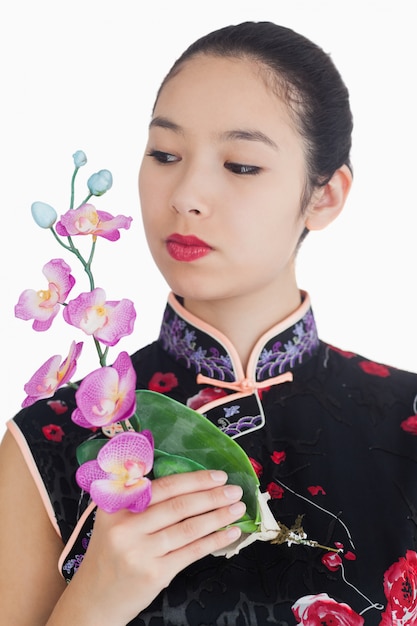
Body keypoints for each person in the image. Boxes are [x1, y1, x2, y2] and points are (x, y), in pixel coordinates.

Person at [1, 20, 417, 626]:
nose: (186, 193)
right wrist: (95, 602)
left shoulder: (407, 420)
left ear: (324, 195)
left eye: (241, 165)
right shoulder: (48, 444)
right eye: (165, 155)